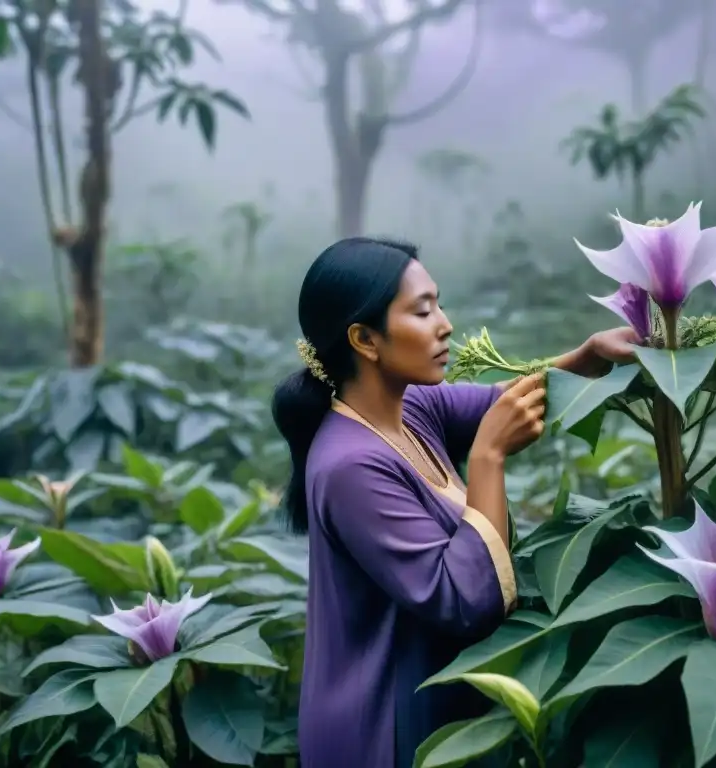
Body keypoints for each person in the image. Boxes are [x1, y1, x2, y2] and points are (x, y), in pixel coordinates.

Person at [271, 236, 640, 768]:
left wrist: (585, 359)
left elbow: (505, 402)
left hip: (434, 707)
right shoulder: (348, 466)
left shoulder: (407, 404)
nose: (445, 324)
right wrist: (489, 456)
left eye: (438, 303)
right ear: (365, 339)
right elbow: (464, 601)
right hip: (387, 729)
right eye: (423, 312)